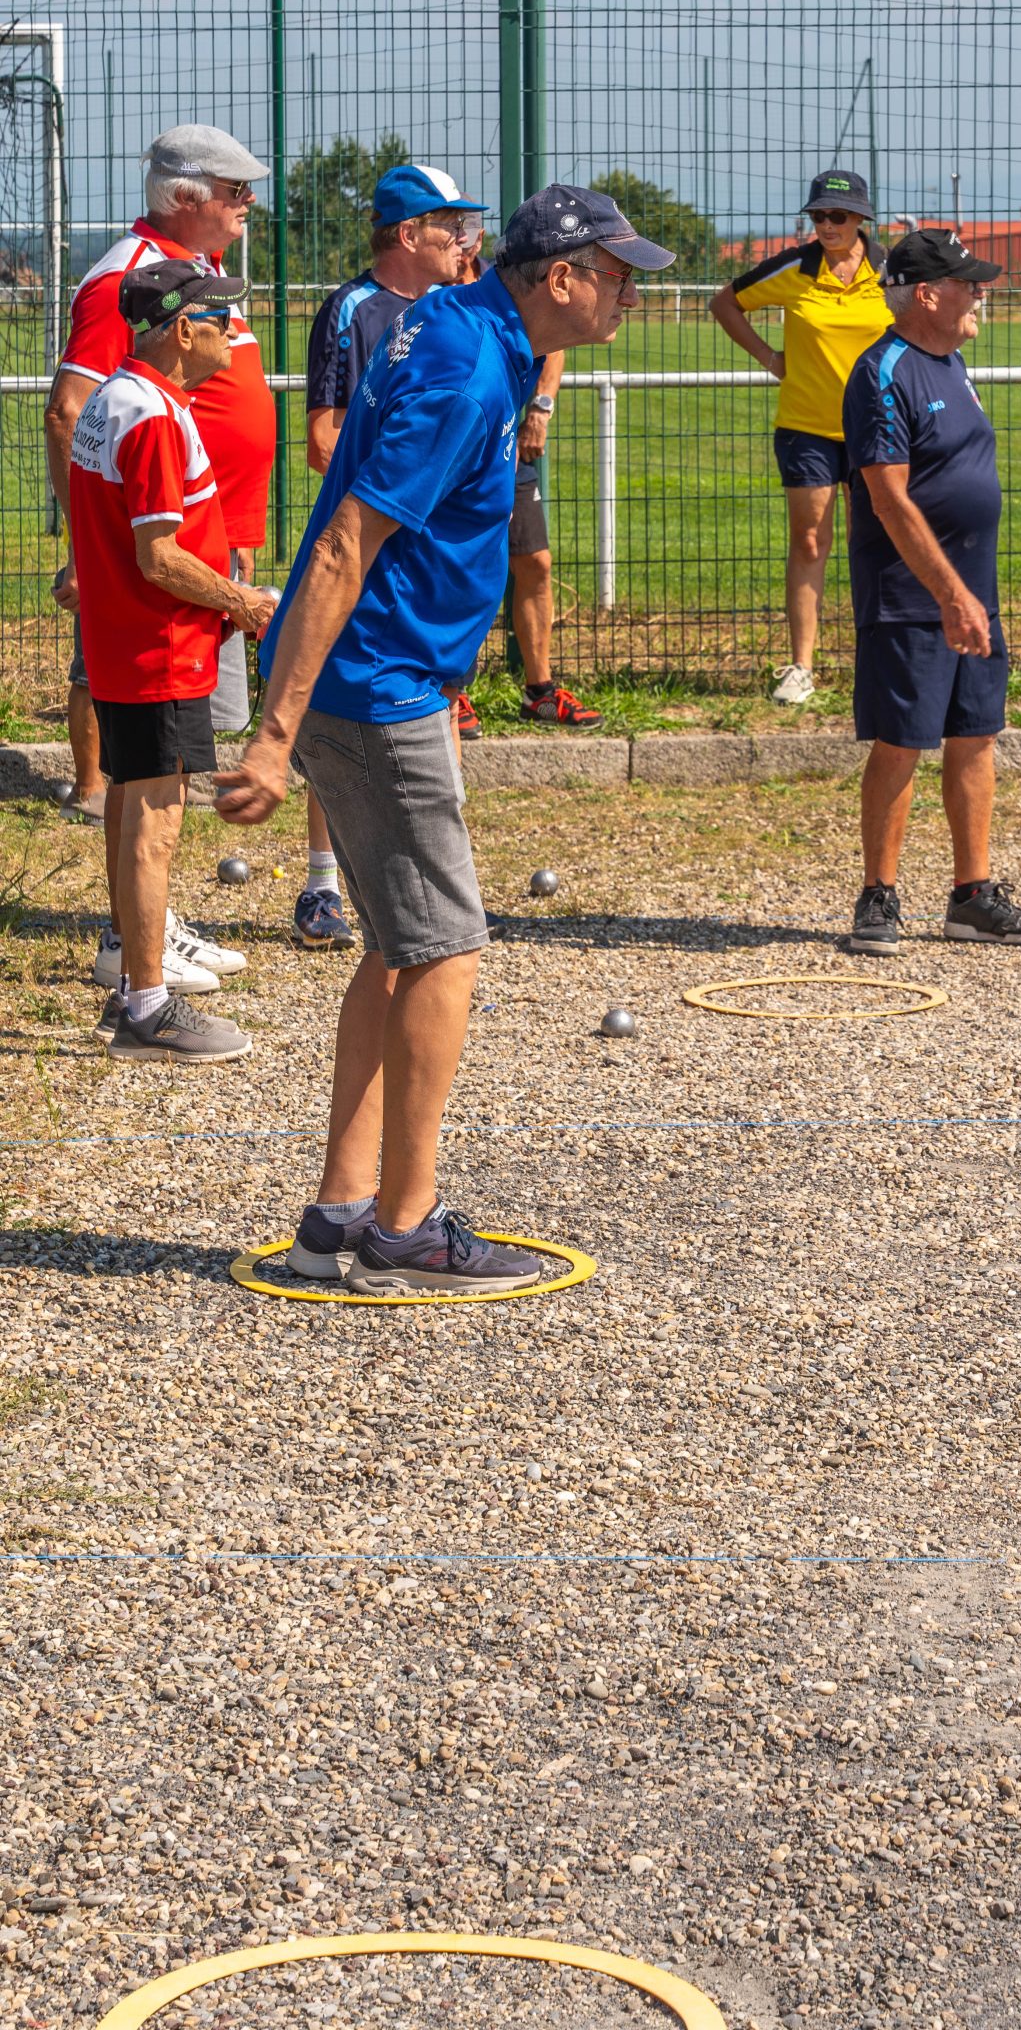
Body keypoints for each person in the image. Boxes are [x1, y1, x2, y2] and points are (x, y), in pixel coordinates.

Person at [219, 185, 674, 1298]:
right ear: (559, 275)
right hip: (376, 689)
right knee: (447, 949)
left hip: (374, 678)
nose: (631, 291)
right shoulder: (471, 365)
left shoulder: (470, 328)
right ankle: (406, 1229)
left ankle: (339, 1213)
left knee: (395, 944)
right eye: (616, 272)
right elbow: (345, 543)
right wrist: (273, 737)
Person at [45, 122, 274, 996]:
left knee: (164, 765)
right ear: (185, 197)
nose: (250, 205)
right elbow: (71, 411)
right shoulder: (129, 283)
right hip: (157, 565)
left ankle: (148, 927)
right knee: (157, 774)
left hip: (187, 547)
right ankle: (136, 950)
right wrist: (90, 548)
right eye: (235, 190)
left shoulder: (188, 279)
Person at [841, 227, 1021, 955]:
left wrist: (971, 595)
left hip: (972, 589)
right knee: (902, 742)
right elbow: (890, 500)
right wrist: (948, 594)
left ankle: (972, 896)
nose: (979, 295)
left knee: (975, 735)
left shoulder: (951, 361)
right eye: (967, 285)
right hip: (911, 594)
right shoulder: (882, 372)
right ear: (925, 295)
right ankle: (878, 896)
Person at [299, 162, 489, 947]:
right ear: (407, 234)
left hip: (430, 548)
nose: (465, 239)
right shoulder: (352, 309)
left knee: (433, 702)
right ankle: (321, 887)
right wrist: (411, 481)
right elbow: (321, 439)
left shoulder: (457, 309)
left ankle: (432, 885)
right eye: (450, 226)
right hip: (369, 542)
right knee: (340, 704)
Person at [710, 167, 891, 705]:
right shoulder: (795, 268)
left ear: (861, 218)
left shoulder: (891, 269)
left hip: (877, 427)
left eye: (837, 216)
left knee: (873, 544)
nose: (827, 225)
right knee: (810, 541)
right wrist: (770, 358)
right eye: (818, 216)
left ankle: (876, 659)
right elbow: (725, 303)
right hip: (805, 428)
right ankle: (801, 667)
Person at [443, 240, 601, 742]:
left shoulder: (508, 282)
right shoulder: (434, 291)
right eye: (449, 224)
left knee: (535, 561)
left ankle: (540, 689)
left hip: (511, 442)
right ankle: (453, 686)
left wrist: (542, 407)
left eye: (468, 225)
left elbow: (552, 344)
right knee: (463, 562)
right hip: (461, 445)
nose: (462, 237)